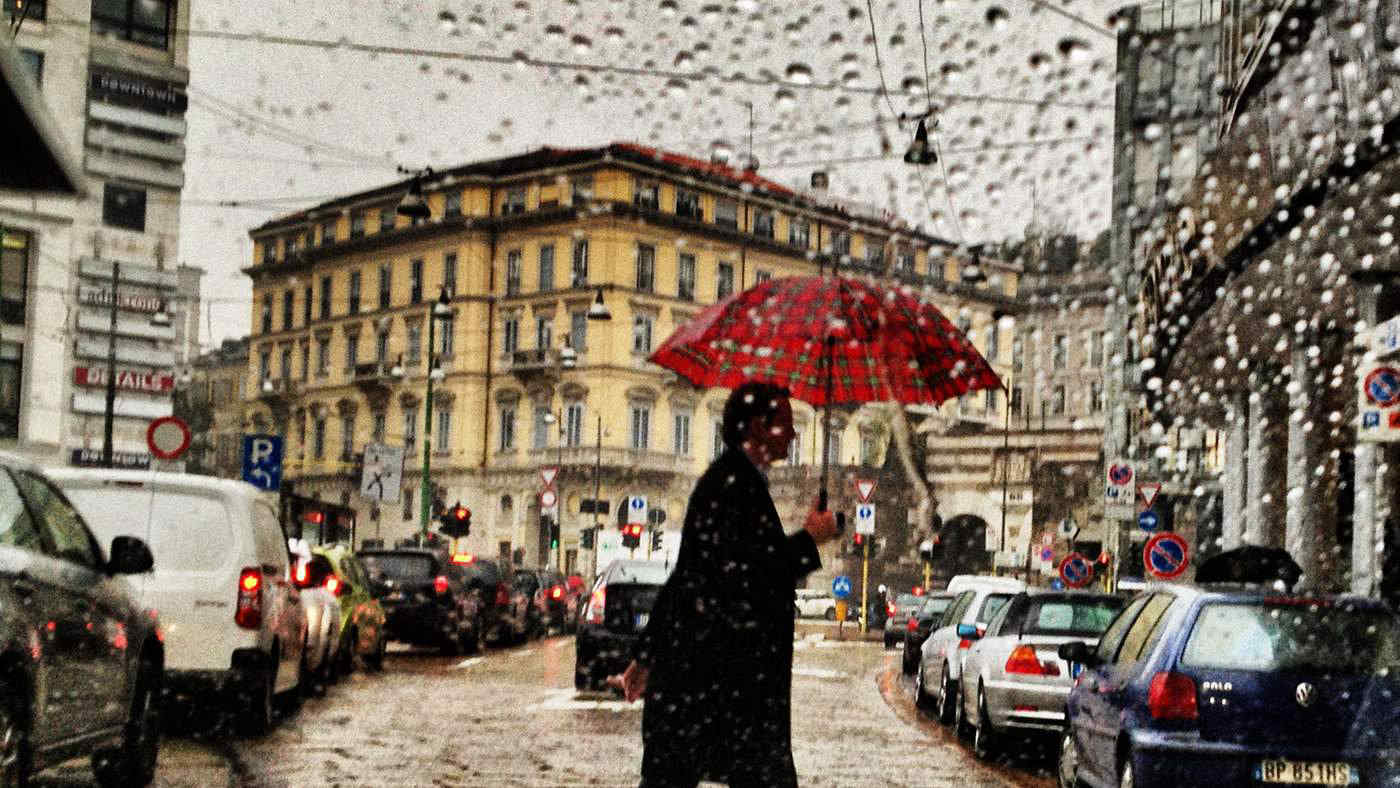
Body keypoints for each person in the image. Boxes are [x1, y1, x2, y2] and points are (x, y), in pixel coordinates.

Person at [610, 382, 839, 788]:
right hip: (721, 682)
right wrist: (809, 539)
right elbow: (742, 577)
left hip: (715, 682)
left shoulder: (737, 481)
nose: (793, 433)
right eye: (784, 423)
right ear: (755, 427)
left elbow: (690, 577)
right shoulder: (732, 485)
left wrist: (645, 657)